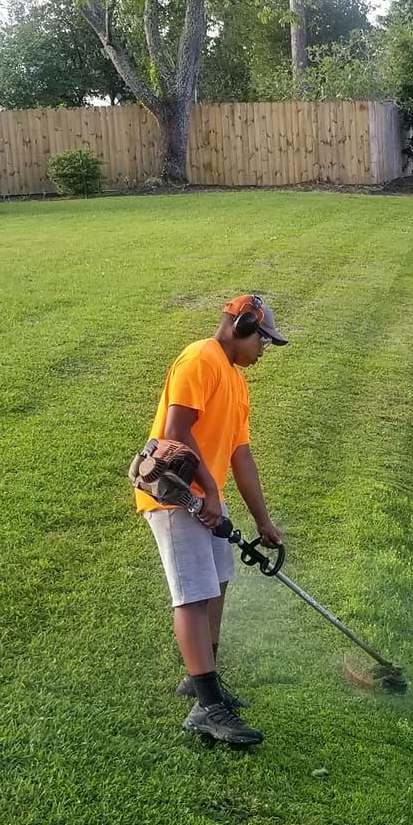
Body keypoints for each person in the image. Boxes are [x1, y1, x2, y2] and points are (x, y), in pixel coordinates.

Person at [137, 294, 289, 745]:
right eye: (263, 339)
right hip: (174, 494)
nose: (264, 350)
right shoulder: (200, 359)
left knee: (220, 579)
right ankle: (206, 707)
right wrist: (208, 494)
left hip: (206, 498)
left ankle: (203, 676)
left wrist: (263, 520)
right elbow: (175, 433)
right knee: (193, 594)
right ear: (243, 326)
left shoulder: (237, 382)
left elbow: (241, 455)